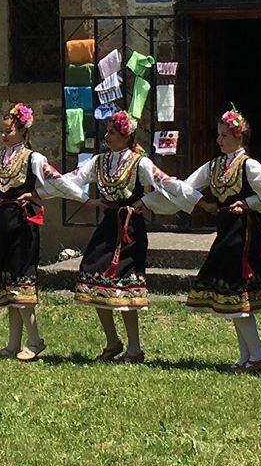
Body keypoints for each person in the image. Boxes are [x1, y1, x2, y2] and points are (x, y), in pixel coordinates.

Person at [169, 109, 261, 374]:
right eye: (218, 135)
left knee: (237, 295)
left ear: (238, 136)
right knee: (233, 299)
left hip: (244, 235)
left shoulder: (249, 166)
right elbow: (185, 186)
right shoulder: (214, 166)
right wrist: (201, 203)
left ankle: (256, 356)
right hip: (226, 231)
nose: (219, 141)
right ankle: (248, 357)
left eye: (224, 135)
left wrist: (251, 203)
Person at [61, 111, 194, 363]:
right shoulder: (99, 162)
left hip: (130, 227)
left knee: (125, 284)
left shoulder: (139, 162)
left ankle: (134, 348)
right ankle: (112, 341)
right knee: (92, 272)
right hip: (109, 225)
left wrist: (190, 198)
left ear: (127, 135)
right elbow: (73, 179)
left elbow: (164, 183)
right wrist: (77, 196)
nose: (107, 137)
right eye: (108, 132)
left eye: (112, 132)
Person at [0, 104, 83, 361]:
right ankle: (13, 343)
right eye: (2, 132)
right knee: (9, 283)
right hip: (4, 220)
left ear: (23, 131)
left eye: (8, 131)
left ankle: (35, 340)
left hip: (24, 222)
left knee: (22, 280)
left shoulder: (33, 159)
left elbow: (56, 181)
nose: (3, 136)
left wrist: (80, 197)